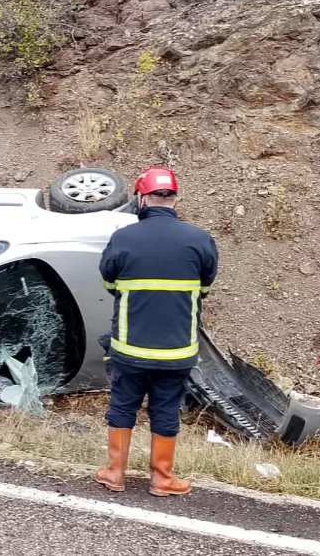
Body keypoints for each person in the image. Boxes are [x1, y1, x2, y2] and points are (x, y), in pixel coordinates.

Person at [94, 166, 218, 496]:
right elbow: (205, 288)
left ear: (141, 198)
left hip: (130, 348)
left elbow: (108, 282)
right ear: (173, 200)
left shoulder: (123, 238)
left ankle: (114, 474)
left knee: (122, 405)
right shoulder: (200, 240)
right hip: (177, 351)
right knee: (165, 410)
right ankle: (162, 479)